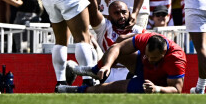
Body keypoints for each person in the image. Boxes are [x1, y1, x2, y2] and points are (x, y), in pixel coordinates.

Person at [58, 33, 186, 94]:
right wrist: (107, 65)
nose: (149, 59)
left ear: (164, 53)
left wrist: (157, 89)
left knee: (110, 88)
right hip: (141, 68)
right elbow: (117, 47)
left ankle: (75, 90)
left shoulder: (176, 58)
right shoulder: (146, 39)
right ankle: (96, 71)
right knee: (115, 51)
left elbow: (176, 89)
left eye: (153, 58)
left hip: (152, 83)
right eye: (147, 55)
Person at [80, 0, 145, 83]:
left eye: (124, 12)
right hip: (108, 71)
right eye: (116, 13)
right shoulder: (104, 27)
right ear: (109, 16)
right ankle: (81, 81)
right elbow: (93, 13)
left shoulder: (139, 30)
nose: (121, 16)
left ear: (129, 12)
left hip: (131, 72)